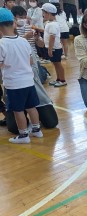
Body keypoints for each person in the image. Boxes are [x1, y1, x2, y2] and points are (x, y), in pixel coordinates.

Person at [0, 7, 43, 143]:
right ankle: (37, 130)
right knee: (31, 107)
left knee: (18, 110)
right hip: (28, 81)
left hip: (14, 83)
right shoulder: (23, 41)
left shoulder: (2, 44)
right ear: (13, 23)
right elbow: (30, 61)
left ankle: (23, 135)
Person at [42, 3, 67, 87]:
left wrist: (50, 49)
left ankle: (63, 80)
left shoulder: (53, 24)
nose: (43, 15)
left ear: (48, 13)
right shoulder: (49, 23)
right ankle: (58, 79)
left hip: (54, 48)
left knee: (58, 64)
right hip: (52, 48)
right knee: (55, 64)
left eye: (44, 13)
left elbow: (52, 38)